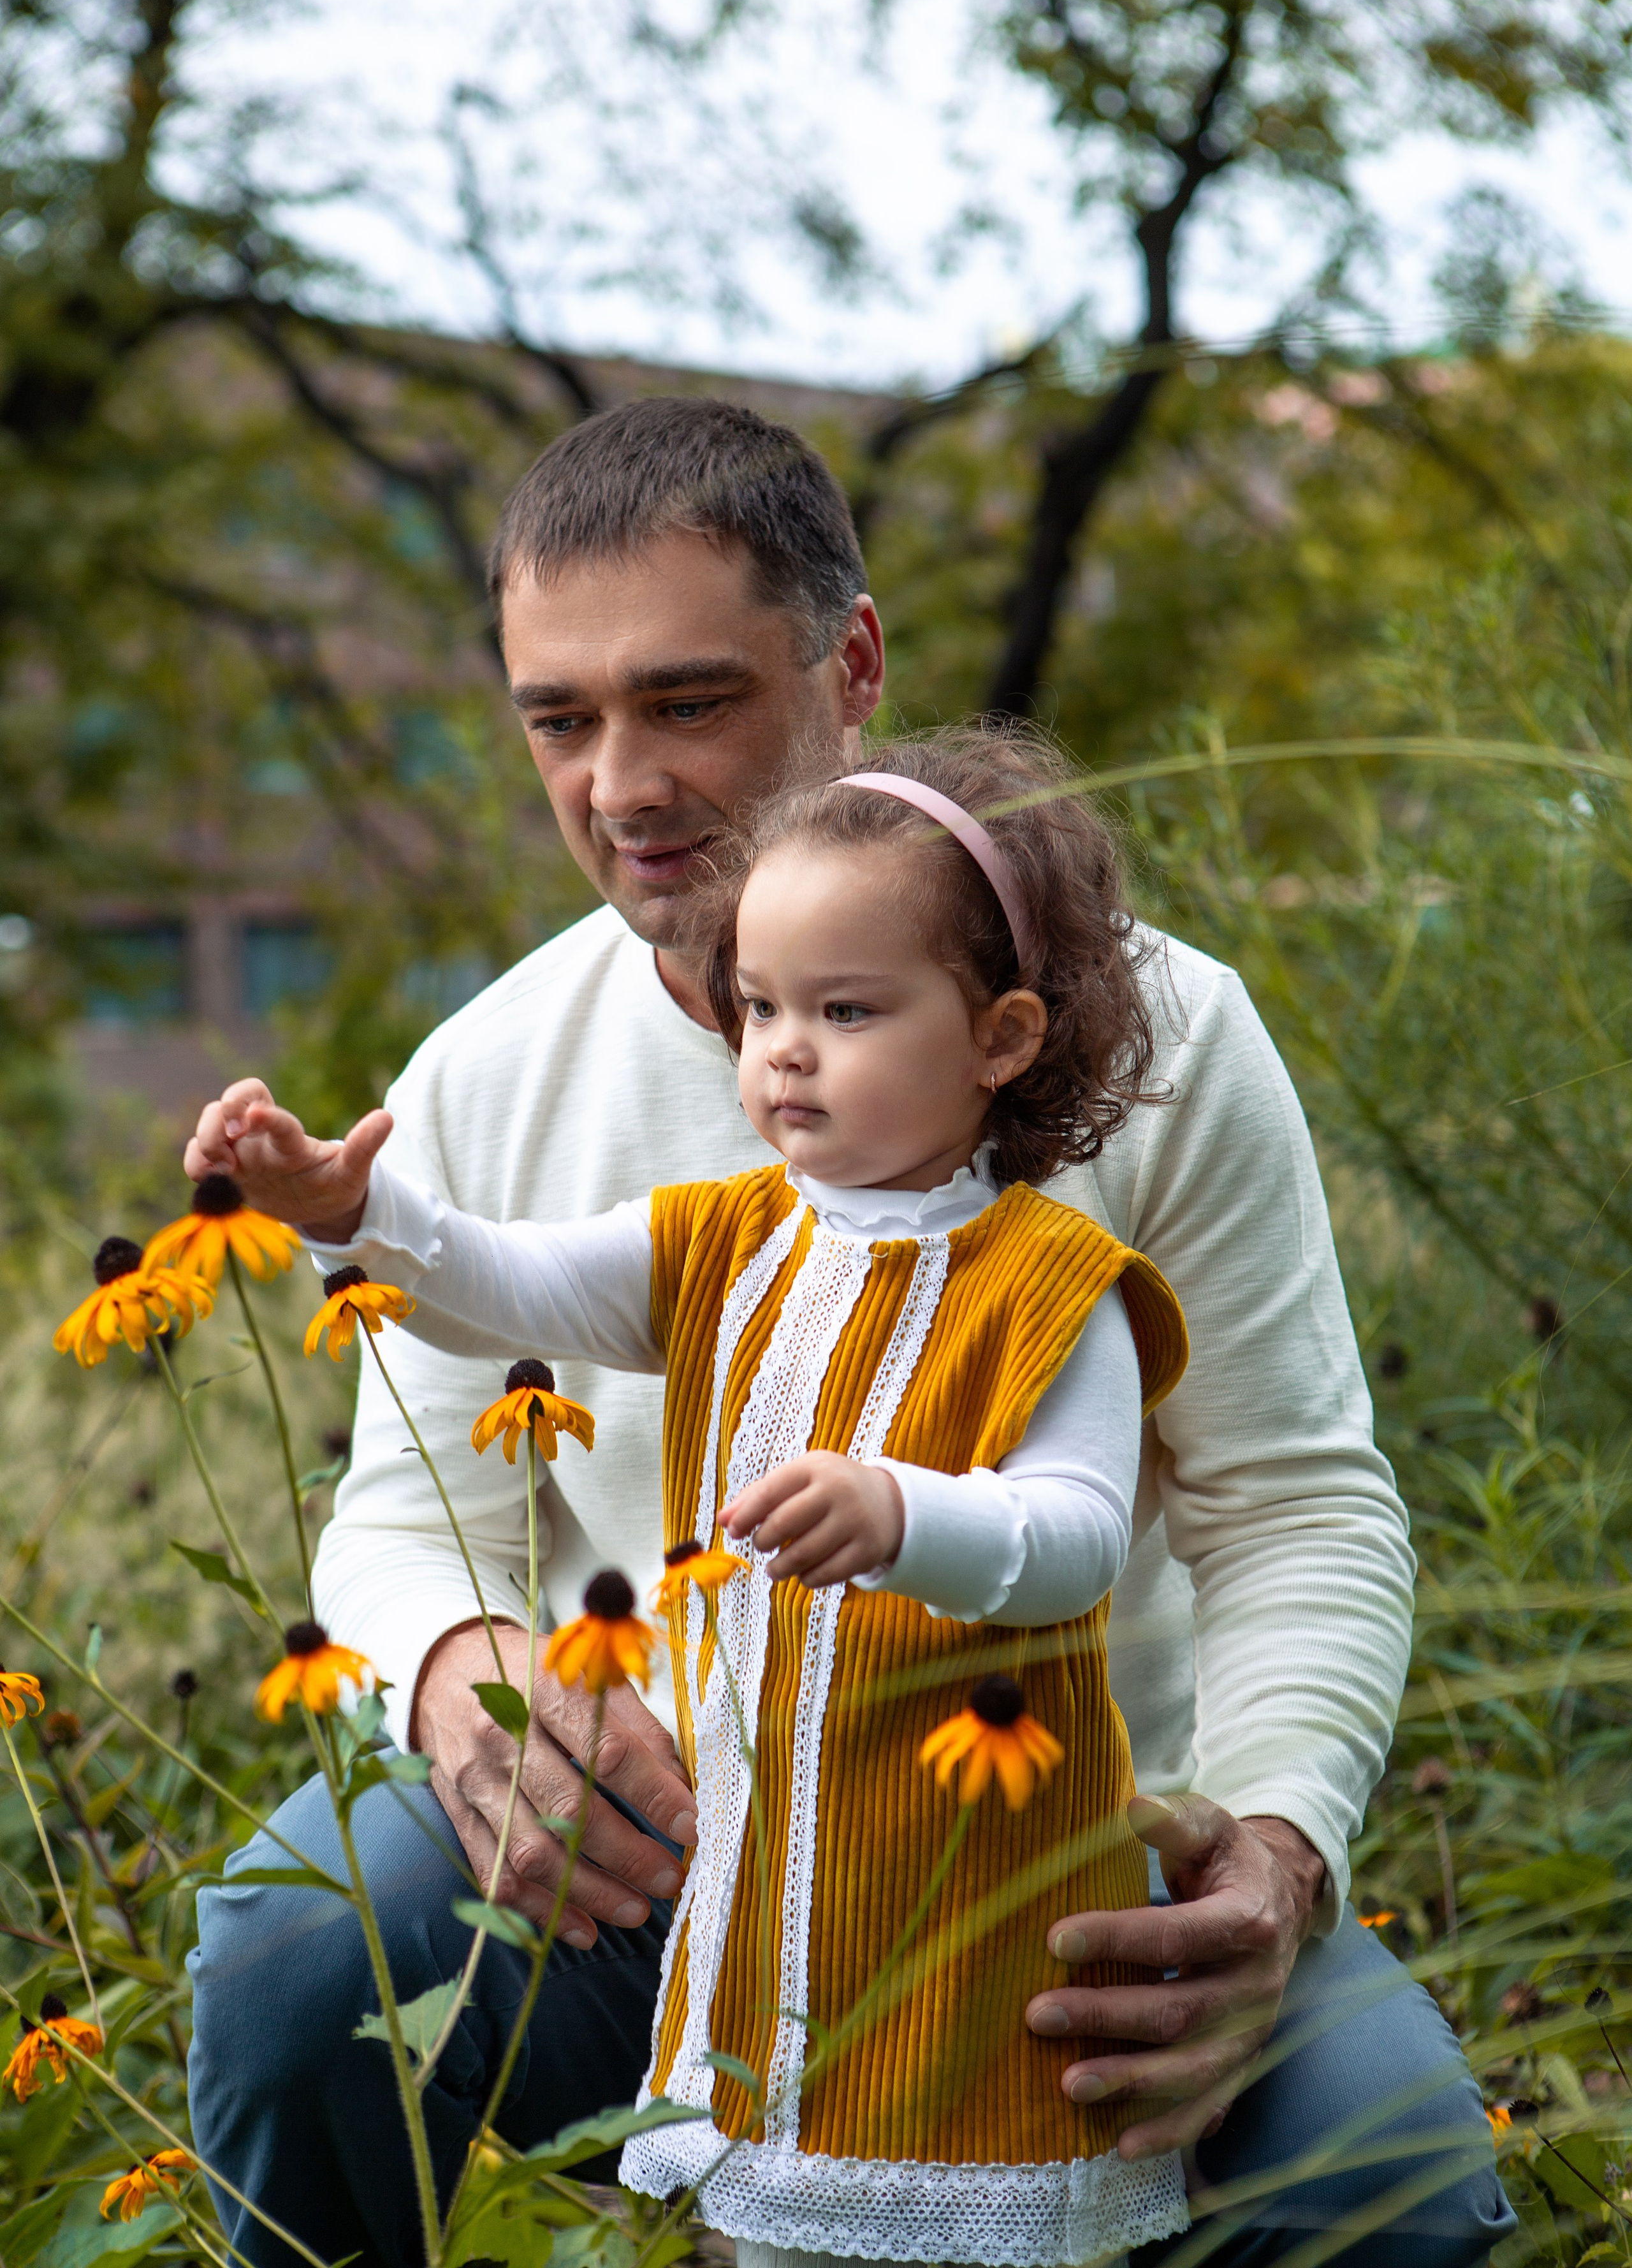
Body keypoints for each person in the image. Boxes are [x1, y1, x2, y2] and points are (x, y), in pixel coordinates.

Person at [184, 397, 1513, 2268]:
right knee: (299, 1952)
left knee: (1385, 2177)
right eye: (559, 720)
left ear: (854, 666)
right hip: (670, 1870)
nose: (621, 784)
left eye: (688, 700)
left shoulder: (1170, 1039)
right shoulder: (481, 1074)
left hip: (1068, 1870)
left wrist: (1275, 1855)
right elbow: (406, 1518)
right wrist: (465, 1681)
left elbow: (1296, 1506)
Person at [191, 730, 1200, 2266]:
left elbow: (1072, 1542)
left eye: (845, 1012)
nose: (784, 1052)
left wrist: (903, 1514)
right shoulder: (724, 1241)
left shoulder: (1057, 1284)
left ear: (998, 1038)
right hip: (764, 1887)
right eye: (760, 1008)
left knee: (954, 2223)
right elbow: (501, 1282)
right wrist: (354, 1211)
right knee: (766, 2227)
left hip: (967, 1887)